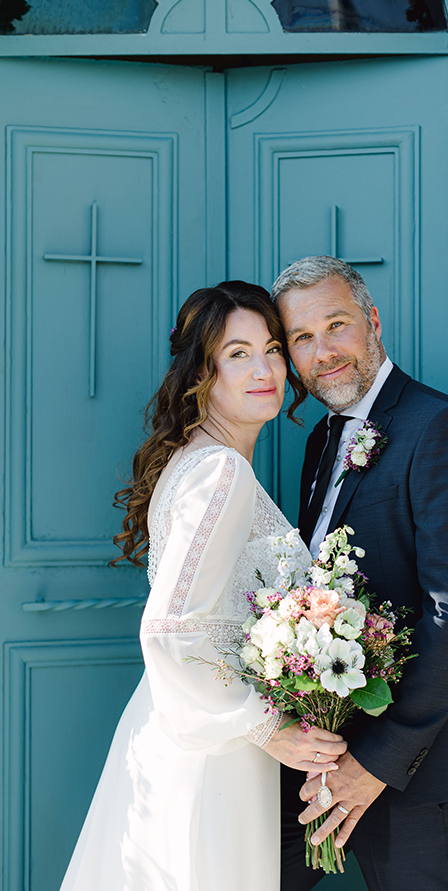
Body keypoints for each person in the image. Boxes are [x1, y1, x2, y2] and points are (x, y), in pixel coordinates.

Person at [59, 281, 347, 891]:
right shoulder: (218, 473)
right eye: (237, 353)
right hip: (205, 757)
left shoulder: (204, 459)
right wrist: (271, 731)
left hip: (194, 734)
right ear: (202, 371)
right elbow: (170, 632)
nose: (265, 368)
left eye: (271, 348)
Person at [272, 257, 448, 891]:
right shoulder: (321, 441)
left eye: (337, 325)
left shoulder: (441, 428)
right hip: (323, 751)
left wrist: (376, 762)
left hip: (421, 765)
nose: (323, 352)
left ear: (372, 322)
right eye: (302, 338)